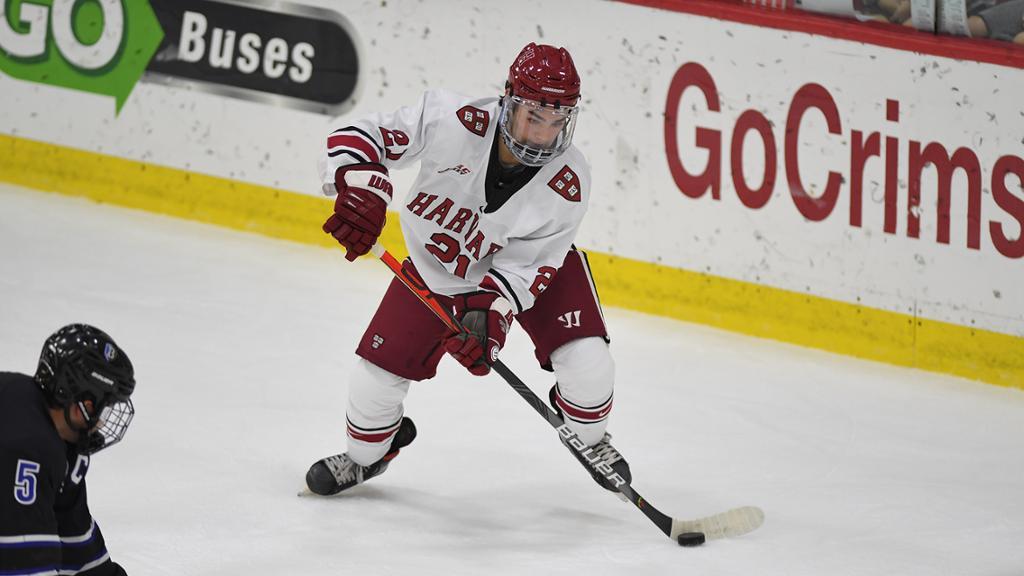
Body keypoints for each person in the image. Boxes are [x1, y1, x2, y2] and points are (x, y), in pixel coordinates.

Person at [306, 42, 629, 497]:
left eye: (557, 122)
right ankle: (374, 455)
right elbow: (360, 134)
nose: (543, 135)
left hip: (533, 273)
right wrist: (362, 187)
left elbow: (529, 267)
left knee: (590, 369)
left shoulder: (570, 180)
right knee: (368, 405)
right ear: (508, 101)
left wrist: (489, 320)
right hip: (434, 270)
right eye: (534, 117)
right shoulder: (450, 119)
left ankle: (591, 439)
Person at [0, 324, 136, 576]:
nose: (103, 422)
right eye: (104, 408)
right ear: (81, 405)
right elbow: (24, 566)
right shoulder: (27, 447)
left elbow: (80, 549)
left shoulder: (60, 445)